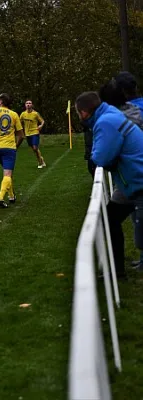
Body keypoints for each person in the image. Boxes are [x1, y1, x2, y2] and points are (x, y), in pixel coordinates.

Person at [75, 91, 143, 278]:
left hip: (138, 181)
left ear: (85, 112)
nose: (80, 118)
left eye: (79, 114)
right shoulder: (109, 115)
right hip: (130, 183)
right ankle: (117, 271)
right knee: (109, 220)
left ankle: (117, 271)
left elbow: (101, 157)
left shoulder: (105, 122)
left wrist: (94, 158)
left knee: (140, 239)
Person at [100, 76, 143, 270]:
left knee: (137, 218)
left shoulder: (118, 115)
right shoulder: (131, 108)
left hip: (136, 173)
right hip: (130, 175)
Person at [20, 100, 46, 168]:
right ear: (25, 105)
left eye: (30, 103)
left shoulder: (35, 114)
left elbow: (42, 121)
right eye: (27, 103)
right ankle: (41, 160)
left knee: (35, 148)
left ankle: (40, 163)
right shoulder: (23, 114)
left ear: (32, 105)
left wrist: (41, 126)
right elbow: (19, 123)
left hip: (35, 132)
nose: (28, 104)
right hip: (27, 134)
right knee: (35, 149)